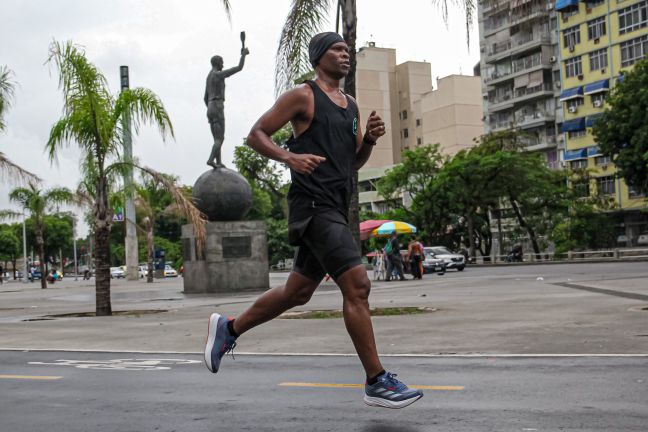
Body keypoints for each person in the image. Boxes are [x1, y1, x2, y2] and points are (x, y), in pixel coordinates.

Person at [203, 32, 422, 409]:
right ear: (319, 56)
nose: (345, 55)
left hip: (335, 206)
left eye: (347, 50)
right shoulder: (303, 95)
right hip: (313, 206)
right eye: (338, 50)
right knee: (357, 285)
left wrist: (367, 140)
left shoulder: (350, 105)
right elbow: (256, 134)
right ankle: (376, 380)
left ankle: (229, 328)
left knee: (297, 293)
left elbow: (350, 164)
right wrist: (290, 158)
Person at [204, 44, 250, 168]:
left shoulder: (208, 77)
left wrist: (210, 108)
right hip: (217, 106)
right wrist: (243, 55)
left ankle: (218, 162)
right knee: (220, 138)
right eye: (222, 62)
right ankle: (211, 160)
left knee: (216, 138)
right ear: (217, 63)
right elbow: (239, 68)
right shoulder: (217, 74)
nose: (223, 65)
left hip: (210, 107)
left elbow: (204, 97)